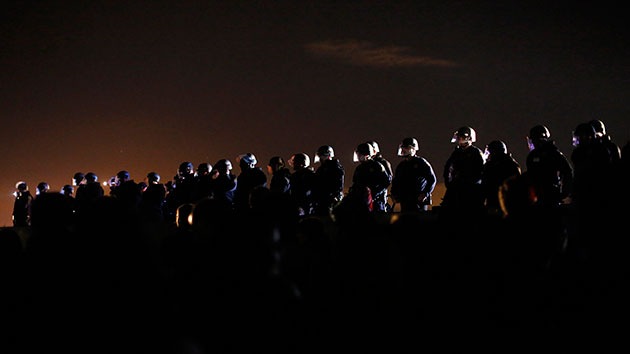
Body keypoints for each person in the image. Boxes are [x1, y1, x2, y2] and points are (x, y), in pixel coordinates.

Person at [525, 124, 573, 208]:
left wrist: (564, 192)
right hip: (535, 197)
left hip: (550, 196)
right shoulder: (532, 155)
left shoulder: (553, 154)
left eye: (534, 139)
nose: (532, 142)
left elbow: (567, 172)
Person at [441, 126, 485, 215]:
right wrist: (448, 182)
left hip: (471, 190)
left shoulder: (476, 153)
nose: (460, 140)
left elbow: (481, 172)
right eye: (459, 137)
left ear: (469, 138)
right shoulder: (456, 152)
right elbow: (448, 167)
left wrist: (470, 183)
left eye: (462, 137)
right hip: (456, 187)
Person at [391, 137, 437, 213]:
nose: (403, 150)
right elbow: (396, 181)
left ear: (413, 148)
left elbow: (432, 179)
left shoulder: (421, 163)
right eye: (403, 148)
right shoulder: (402, 165)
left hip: (418, 200)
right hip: (405, 199)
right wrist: (394, 194)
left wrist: (425, 193)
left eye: (406, 148)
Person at [481, 140, 521, 215]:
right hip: (493, 201)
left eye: (491, 152)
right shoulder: (490, 165)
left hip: (504, 201)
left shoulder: (509, 165)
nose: (490, 155)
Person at [350, 142, 391, 213]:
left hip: (376, 202)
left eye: (359, 154)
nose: (358, 156)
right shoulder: (359, 168)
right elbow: (356, 183)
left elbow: (385, 182)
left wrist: (374, 194)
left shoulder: (377, 166)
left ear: (366, 154)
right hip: (362, 201)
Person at [312, 145, 345, 216]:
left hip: (329, 200)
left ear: (328, 155)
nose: (320, 158)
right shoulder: (322, 168)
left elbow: (338, 186)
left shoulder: (335, 167)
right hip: (321, 199)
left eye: (322, 156)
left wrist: (333, 197)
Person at [288, 152, 317, 216]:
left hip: (301, 207)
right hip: (309, 207)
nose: (293, 164)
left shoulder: (296, 176)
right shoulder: (312, 175)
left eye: (295, 162)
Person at [367, 140, 393, 210]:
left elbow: (388, 180)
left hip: (379, 197)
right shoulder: (367, 164)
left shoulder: (383, 163)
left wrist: (376, 193)